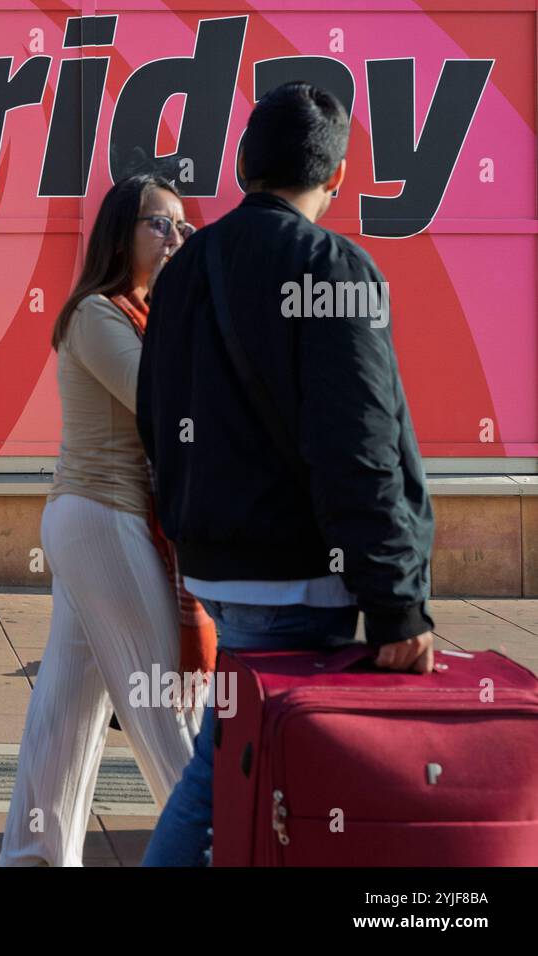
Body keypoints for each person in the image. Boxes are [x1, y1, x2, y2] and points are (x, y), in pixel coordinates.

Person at [135, 82, 435, 866]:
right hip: (300, 581)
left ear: (244, 164)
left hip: (217, 569)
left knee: (242, 765)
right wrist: (398, 603)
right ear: (336, 178)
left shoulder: (186, 269)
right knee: (245, 777)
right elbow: (359, 448)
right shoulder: (334, 268)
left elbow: (155, 418)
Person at [0, 174, 215, 867]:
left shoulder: (145, 315)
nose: (175, 238)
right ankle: (207, 850)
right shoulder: (96, 313)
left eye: (182, 226)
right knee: (163, 705)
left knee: (66, 709)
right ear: (121, 234)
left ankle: (33, 855)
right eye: (160, 224)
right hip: (103, 518)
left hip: (97, 522)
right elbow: (160, 400)